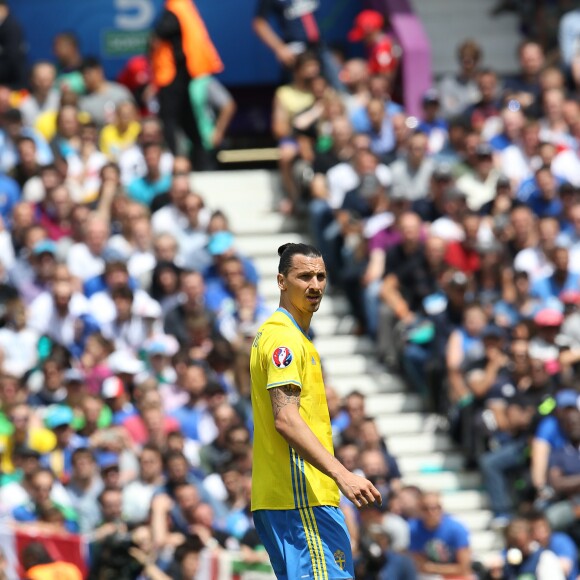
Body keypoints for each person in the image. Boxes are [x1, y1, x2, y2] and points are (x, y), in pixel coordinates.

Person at [250, 242, 381, 579]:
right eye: (304, 276)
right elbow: (286, 419)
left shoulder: (284, 336)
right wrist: (342, 473)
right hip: (301, 497)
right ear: (282, 281)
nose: (315, 285)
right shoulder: (285, 342)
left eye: (321, 276)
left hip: (286, 499)